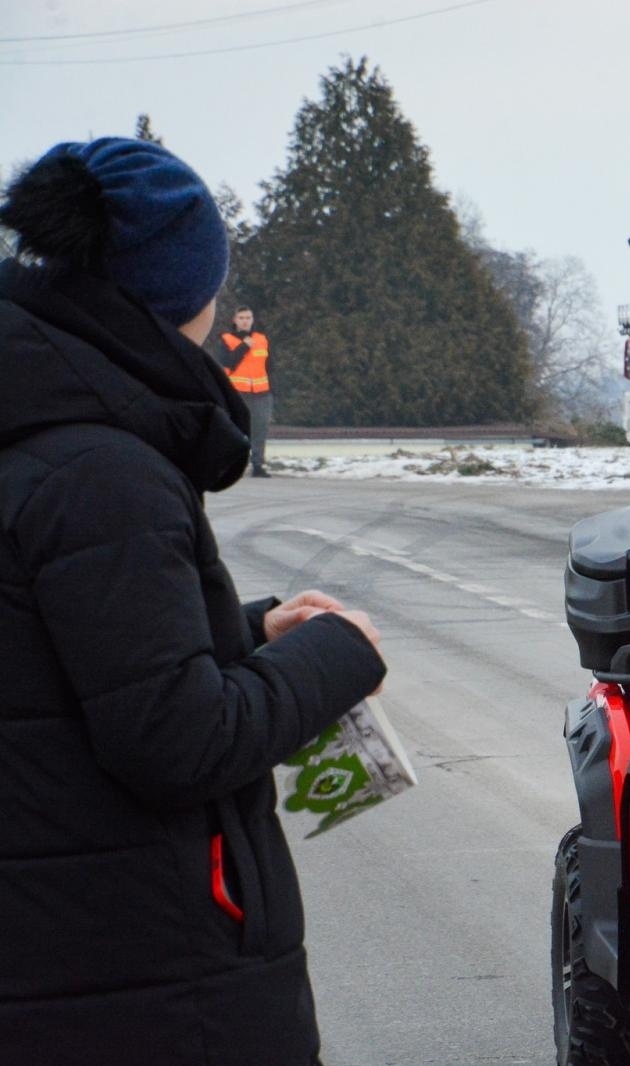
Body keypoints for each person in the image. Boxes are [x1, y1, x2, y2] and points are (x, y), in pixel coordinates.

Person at [0, 138, 387, 1065]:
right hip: (144, 979)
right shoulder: (104, 469)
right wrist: (338, 653)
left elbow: (58, 648)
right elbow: (177, 740)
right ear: (180, 291)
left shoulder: (42, 428)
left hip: (63, 954)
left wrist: (248, 629)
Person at [219, 305, 272, 476]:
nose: (245, 321)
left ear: (252, 320)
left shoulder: (262, 339)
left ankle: (258, 465)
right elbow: (228, 363)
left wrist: (272, 389)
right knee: (236, 430)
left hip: (261, 392)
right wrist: (244, 347)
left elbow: (270, 366)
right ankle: (232, 465)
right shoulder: (227, 339)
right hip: (238, 392)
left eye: (248, 318)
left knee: (259, 430)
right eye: (241, 318)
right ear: (235, 320)